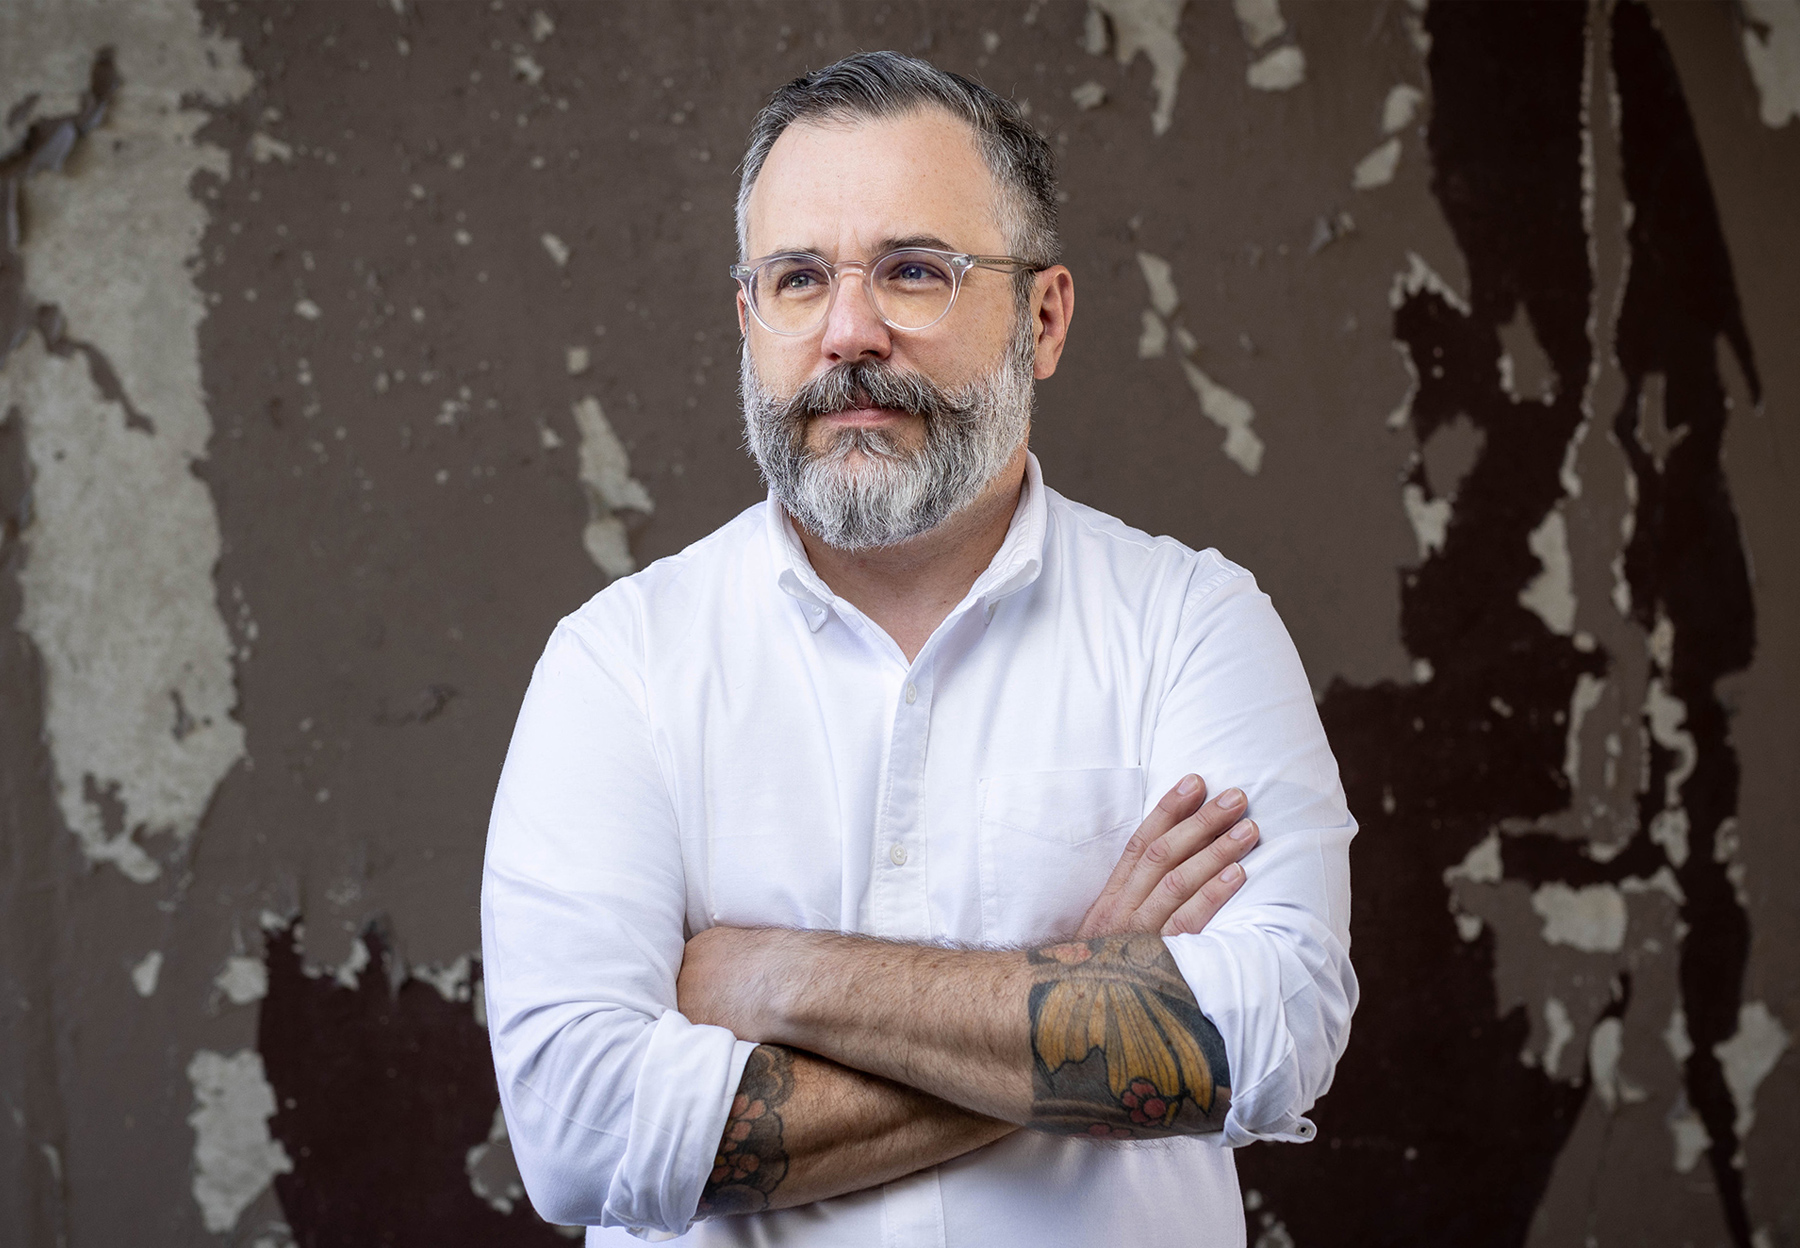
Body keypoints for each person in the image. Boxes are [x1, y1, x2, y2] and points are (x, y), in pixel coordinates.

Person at [482, 51, 1356, 1247]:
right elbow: (582, 1135)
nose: (850, 332)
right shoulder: (617, 666)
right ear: (750, 323)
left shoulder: (1193, 624)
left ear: (1041, 319)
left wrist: (779, 981)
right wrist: (1094, 981)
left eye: (914, 271)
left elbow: (1276, 1034)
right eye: (798, 280)